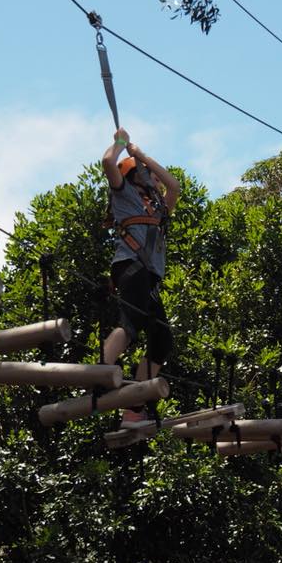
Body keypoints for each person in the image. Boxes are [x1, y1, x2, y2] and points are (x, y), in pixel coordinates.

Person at [101, 127, 180, 428]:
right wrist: (120, 144)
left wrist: (142, 156)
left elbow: (175, 187)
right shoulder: (124, 195)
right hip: (131, 266)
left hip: (148, 276)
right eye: (151, 176)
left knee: (161, 339)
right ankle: (100, 370)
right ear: (137, 177)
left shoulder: (159, 209)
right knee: (131, 325)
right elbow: (109, 163)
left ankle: (134, 407)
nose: (158, 181)